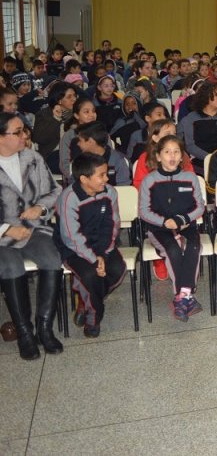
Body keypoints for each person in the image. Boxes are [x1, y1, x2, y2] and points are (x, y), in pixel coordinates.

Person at [0, 113, 63, 359]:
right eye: (17, 132)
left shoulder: (33, 158)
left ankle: (44, 328)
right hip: (3, 237)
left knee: (52, 258)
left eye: (24, 130)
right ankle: (25, 333)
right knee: (11, 266)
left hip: (34, 228)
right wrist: (5, 229)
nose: (24, 136)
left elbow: (55, 191)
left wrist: (41, 208)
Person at [56, 153, 125, 338]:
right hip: (73, 249)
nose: (107, 178)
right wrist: (95, 259)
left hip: (102, 245)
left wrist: (103, 253)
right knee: (90, 275)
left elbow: (112, 225)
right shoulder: (68, 198)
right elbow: (72, 237)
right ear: (84, 179)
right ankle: (93, 319)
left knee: (119, 269)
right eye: (101, 175)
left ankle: (84, 302)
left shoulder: (109, 192)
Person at [138, 135, 205, 322]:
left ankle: (182, 296)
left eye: (176, 151)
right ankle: (185, 296)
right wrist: (164, 222)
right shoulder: (150, 181)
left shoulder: (190, 178)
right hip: (159, 228)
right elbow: (144, 211)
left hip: (185, 224)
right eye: (167, 152)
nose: (172, 156)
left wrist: (182, 219)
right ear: (158, 156)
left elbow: (200, 206)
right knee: (174, 250)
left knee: (193, 247)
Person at [178, 82, 217, 173]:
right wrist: (210, 158)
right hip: (200, 163)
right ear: (205, 96)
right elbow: (190, 145)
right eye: (216, 95)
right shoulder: (191, 118)